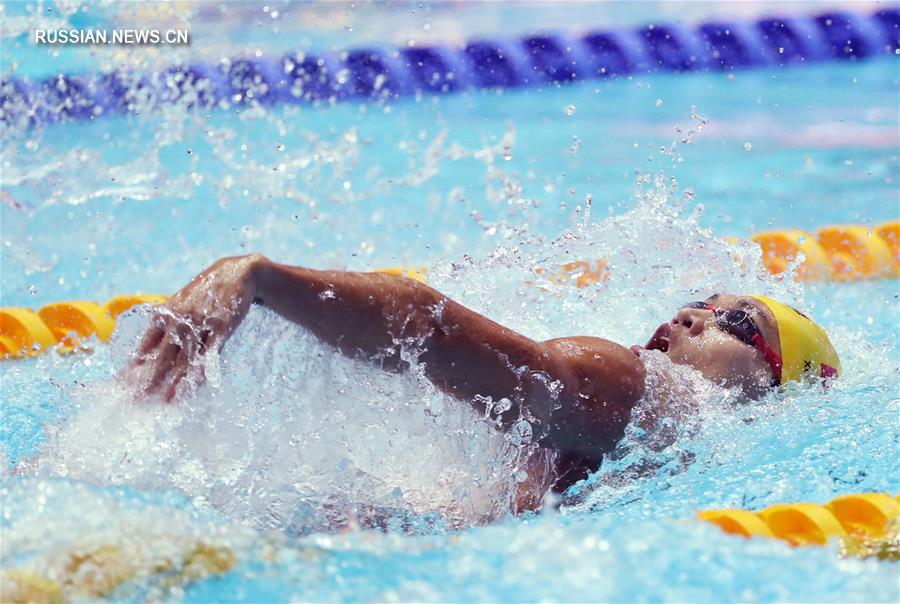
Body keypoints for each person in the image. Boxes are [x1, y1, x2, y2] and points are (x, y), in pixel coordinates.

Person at [126, 254, 841, 513]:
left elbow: (435, 334)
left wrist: (262, 281)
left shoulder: (651, 395)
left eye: (737, 322)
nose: (693, 314)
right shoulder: (642, 392)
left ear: (775, 385)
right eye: (701, 302)